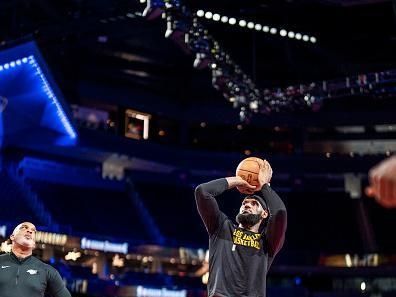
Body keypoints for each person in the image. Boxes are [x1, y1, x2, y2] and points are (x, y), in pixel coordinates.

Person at [195, 158, 287, 297]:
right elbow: (202, 192)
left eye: (254, 203)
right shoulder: (221, 227)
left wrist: (264, 185)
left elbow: (280, 213)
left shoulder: (268, 242)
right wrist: (238, 180)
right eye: (245, 203)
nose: (247, 205)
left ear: (264, 214)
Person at [0, 222, 72, 297]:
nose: (29, 231)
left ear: (34, 243)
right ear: (12, 236)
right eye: (24, 228)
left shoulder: (47, 270)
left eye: (33, 231)